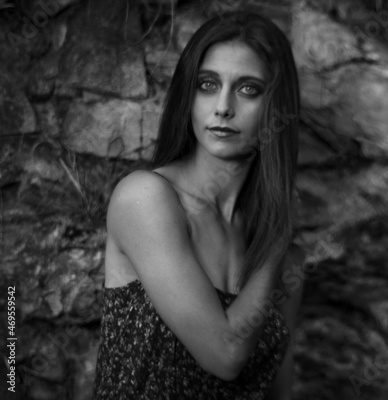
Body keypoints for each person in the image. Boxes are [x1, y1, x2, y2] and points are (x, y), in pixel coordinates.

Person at [92, 10, 302, 400]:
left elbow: (279, 389)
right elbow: (225, 354)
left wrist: (277, 236)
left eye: (248, 89)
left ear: (277, 107)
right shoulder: (146, 199)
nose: (223, 107)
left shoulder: (285, 260)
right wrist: (279, 232)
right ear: (188, 95)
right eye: (207, 84)